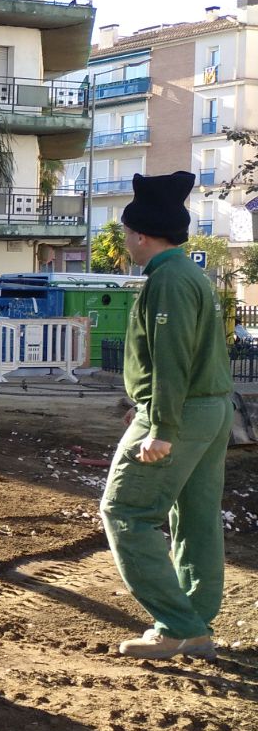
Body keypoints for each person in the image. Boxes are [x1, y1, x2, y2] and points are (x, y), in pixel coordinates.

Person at [101, 171, 232, 660]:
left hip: (179, 413)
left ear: (140, 233)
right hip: (211, 410)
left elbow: (172, 359)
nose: (125, 243)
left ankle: (179, 625)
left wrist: (160, 429)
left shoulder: (169, 281)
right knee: (195, 517)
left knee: (125, 512)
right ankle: (195, 620)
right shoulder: (188, 275)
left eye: (126, 234)